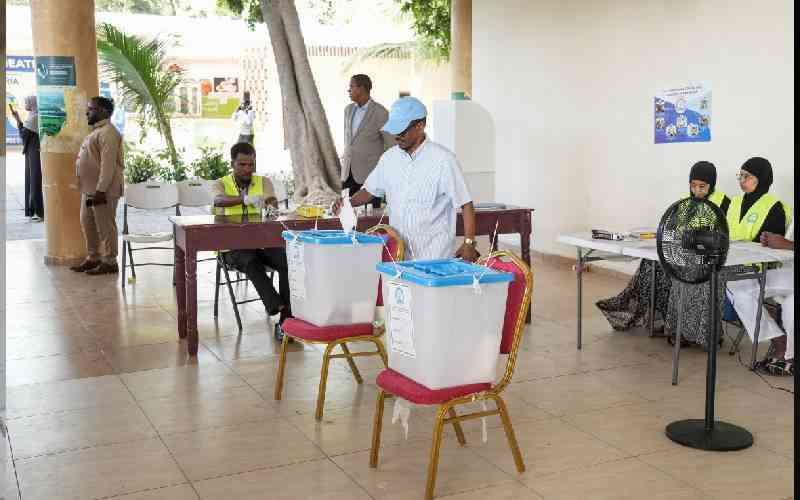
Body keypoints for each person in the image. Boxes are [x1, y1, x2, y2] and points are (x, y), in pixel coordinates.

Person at [596, 161, 730, 348]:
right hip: (684, 252)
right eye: (693, 185)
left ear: (712, 186)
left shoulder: (723, 203)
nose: (697, 190)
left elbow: (720, 236)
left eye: (702, 186)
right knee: (652, 264)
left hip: (705, 259)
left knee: (688, 272)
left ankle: (686, 330)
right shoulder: (686, 203)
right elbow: (673, 228)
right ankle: (661, 320)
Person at [335, 96, 479, 262]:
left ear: (420, 126)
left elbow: (465, 203)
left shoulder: (444, 160)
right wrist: (347, 203)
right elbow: (369, 190)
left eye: (402, 131)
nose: (397, 136)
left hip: (433, 257)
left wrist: (469, 242)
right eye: (394, 131)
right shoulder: (389, 159)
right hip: (398, 255)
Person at [211, 142, 292, 341]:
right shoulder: (220, 183)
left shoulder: (262, 182)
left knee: (286, 260)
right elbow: (218, 200)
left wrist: (270, 204)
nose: (247, 169)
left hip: (260, 242)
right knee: (249, 260)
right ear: (232, 164)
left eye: (251, 164)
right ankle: (279, 305)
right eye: (242, 165)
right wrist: (244, 199)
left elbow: (272, 201)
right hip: (231, 247)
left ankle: (285, 321)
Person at [727, 226, 794, 375]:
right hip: (790, 271)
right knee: (737, 287)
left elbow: (787, 245)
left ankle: (788, 353)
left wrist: (788, 244)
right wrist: (772, 241)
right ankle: (779, 340)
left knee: (791, 307)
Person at [70, 96, 124, 275]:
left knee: (105, 226)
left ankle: (110, 262)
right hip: (90, 189)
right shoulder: (96, 131)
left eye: (91, 109)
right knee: (88, 222)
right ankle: (93, 258)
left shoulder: (109, 132)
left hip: (103, 190)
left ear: (104, 112)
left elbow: (107, 165)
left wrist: (101, 190)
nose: (87, 112)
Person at [341, 74, 394, 209]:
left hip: (370, 175)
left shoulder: (380, 112)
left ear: (362, 88)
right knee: (346, 212)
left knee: (370, 217)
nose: (349, 90)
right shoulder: (348, 110)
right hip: (348, 173)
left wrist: (385, 172)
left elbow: (391, 145)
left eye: (351, 87)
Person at [725, 157, 790, 243]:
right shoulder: (735, 201)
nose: (742, 180)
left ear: (761, 179)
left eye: (747, 176)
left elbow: (771, 245)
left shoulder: (775, 207)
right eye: (741, 175)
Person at [10, 95, 44, 221]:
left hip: (34, 152)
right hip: (31, 152)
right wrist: (17, 118)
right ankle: (34, 211)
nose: (25, 103)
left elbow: (23, 135)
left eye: (26, 101)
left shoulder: (34, 117)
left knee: (34, 181)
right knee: (31, 181)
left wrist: (18, 119)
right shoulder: (32, 116)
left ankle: (40, 212)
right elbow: (25, 133)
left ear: (32, 103)